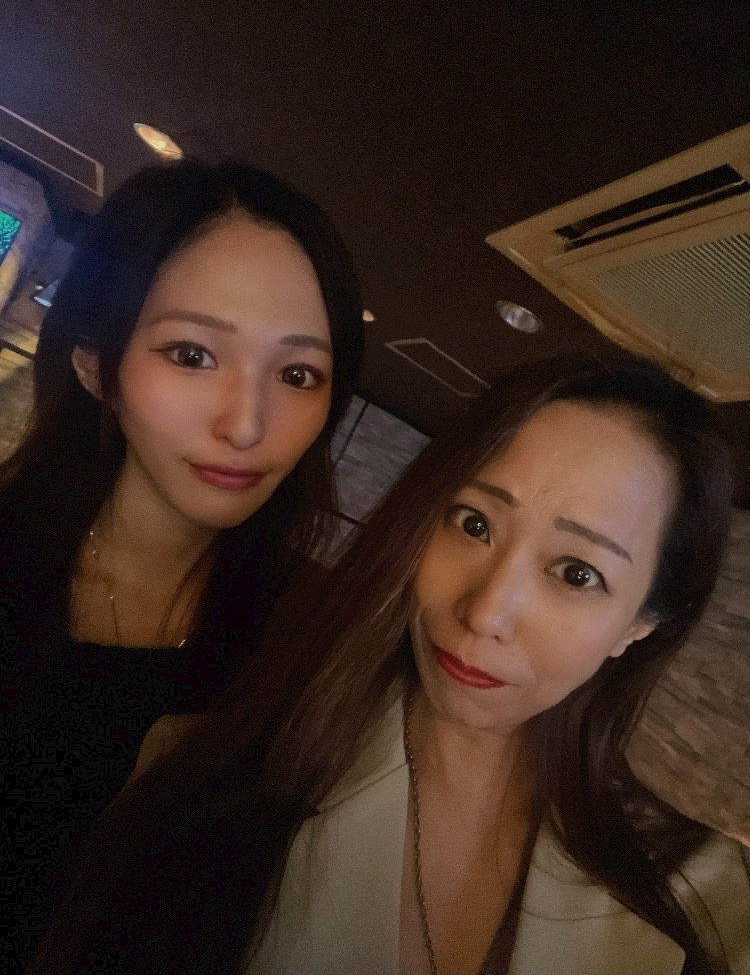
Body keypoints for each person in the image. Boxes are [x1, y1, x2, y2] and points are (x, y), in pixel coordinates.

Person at [31, 352, 749, 975]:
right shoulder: (200, 771)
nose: (485, 612)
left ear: (641, 625)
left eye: (576, 573)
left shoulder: (705, 902)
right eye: (473, 524)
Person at [0, 158, 363, 968]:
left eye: (298, 374)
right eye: (193, 354)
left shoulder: (314, 640)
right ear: (96, 365)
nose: (247, 425)